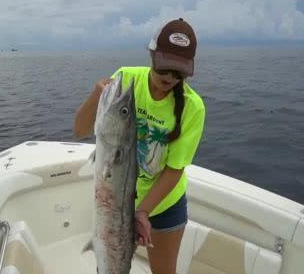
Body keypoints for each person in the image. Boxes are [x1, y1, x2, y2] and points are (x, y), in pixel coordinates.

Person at [73, 18, 205, 274]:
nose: (169, 77)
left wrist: (143, 212)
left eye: (178, 72)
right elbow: (80, 130)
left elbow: (174, 169)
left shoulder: (193, 107)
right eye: (164, 67)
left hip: (165, 204)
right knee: (108, 263)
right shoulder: (126, 80)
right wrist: (96, 95)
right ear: (152, 57)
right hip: (116, 204)